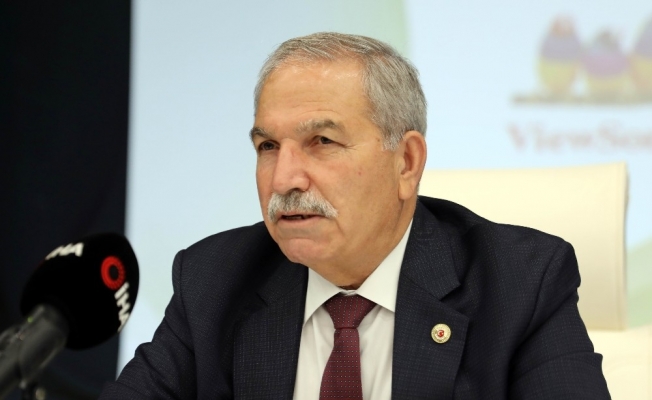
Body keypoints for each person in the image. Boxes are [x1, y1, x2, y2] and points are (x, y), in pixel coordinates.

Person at [100, 32, 610, 399]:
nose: (284, 179)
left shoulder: (520, 283)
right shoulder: (214, 280)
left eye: (322, 141)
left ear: (406, 162)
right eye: (268, 146)